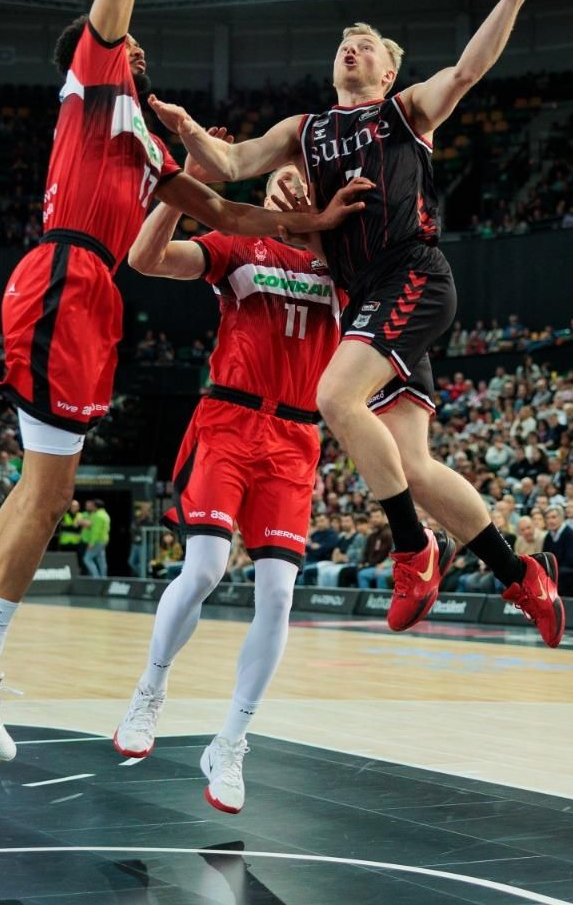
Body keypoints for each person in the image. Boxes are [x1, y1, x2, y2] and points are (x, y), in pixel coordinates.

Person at [0, 0, 370, 766]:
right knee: (47, 492)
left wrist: (271, 191)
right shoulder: (95, 75)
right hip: (65, 279)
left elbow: (233, 207)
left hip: (94, 298)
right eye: (114, 33)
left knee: (39, 486)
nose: (130, 34)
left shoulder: (150, 149)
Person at [150, 0, 565, 646]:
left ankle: (414, 550)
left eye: (367, 43)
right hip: (369, 304)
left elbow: (466, 70)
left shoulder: (403, 113)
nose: (352, 47)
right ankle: (522, 575)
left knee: (333, 397)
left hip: (412, 275)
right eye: (345, 42)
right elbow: (230, 162)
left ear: (390, 66)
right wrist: (190, 135)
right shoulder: (303, 131)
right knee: (414, 465)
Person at [112, 169, 448, 812]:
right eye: (282, 178)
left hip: (295, 438)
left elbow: (402, 298)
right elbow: (145, 259)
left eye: (304, 181)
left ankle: (231, 742)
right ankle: (150, 691)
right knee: (207, 566)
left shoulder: (343, 270)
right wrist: (184, 190)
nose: (293, 186)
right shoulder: (238, 244)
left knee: (279, 595)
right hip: (229, 421)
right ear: (263, 196)